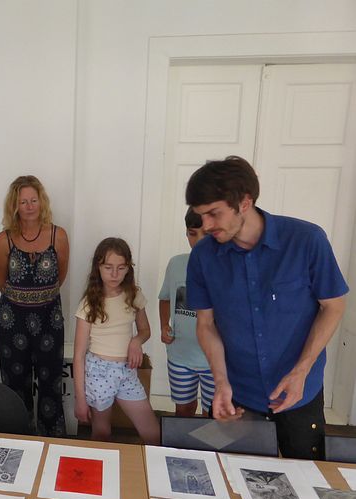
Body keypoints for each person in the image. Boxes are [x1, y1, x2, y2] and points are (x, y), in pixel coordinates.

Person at [185, 156, 348, 459]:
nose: (205, 226)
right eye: (200, 215)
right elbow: (205, 324)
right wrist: (220, 382)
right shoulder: (203, 257)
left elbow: (334, 306)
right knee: (232, 477)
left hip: (300, 391)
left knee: (306, 476)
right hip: (238, 395)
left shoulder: (306, 240)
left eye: (214, 214)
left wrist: (301, 371)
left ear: (244, 203)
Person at [0, 176, 69, 436]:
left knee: (51, 384)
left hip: (50, 320)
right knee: (15, 384)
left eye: (33, 200)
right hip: (11, 322)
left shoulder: (59, 236)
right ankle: (19, 438)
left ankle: (52, 440)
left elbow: (60, 276)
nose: (29, 206)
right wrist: (23, 300)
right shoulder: (3, 240)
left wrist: (40, 298)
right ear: (14, 205)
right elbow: (1, 282)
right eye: (23, 201)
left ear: (42, 202)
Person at [72, 237, 160, 444]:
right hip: (99, 372)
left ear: (128, 268)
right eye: (108, 267)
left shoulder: (133, 295)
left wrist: (136, 341)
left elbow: (145, 330)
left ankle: (138, 463)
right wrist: (80, 400)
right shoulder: (89, 304)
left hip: (127, 371)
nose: (114, 274)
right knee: (102, 433)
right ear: (98, 267)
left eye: (121, 268)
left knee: (152, 434)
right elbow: (78, 356)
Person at [158, 208, 213, 416]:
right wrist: (164, 325)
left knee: (212, 415)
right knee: (183, 411)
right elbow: (165, 298)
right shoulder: (176, 264)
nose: (198, 241)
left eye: (206, 234)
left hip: (214, 361)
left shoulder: (228, 269)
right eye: (192, 233)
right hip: (180, 356)